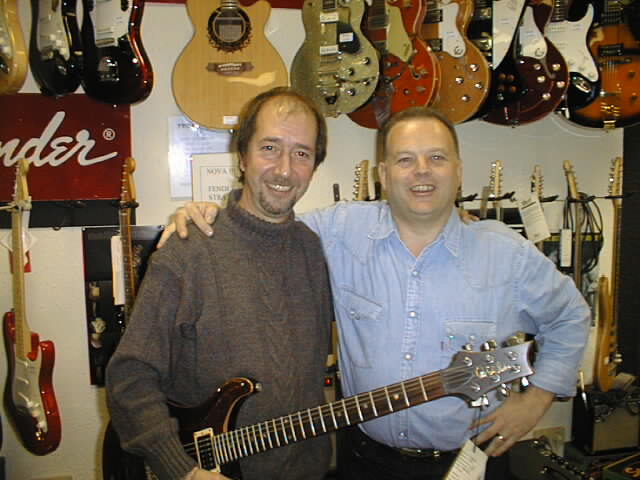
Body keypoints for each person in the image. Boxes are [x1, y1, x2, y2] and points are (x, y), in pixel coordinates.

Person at [163, 107, 590, 479]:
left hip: (473, 459)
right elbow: (263, 227)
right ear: (382, 175)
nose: (421, 171)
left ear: (458, 171)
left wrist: (537, 399)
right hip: (366, 460)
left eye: (436, 158)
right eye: (405, 159)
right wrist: (209, 216)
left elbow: (571, 317)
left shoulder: (506, 254)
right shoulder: (338, 231)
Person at [105, 87, 334, 480]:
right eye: (269, 148)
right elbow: (129, 375)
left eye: (301, 153)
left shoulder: (312, 249)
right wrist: (183, 470)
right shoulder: (189, 250)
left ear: (314, 167)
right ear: (242, 156)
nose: (284, 170)